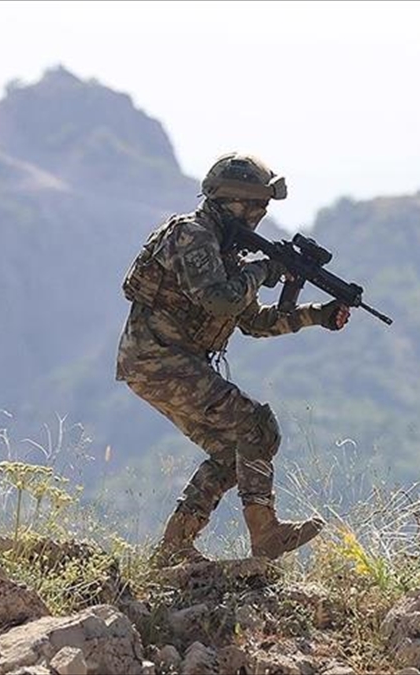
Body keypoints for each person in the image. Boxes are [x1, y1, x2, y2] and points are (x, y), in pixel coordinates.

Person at [116, 152, 349, 565]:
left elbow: (254, 322)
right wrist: (264, 270)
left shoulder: (224, 252)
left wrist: (319, 315)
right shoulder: (193, 235)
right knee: (256, 426)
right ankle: (266, 535)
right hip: (158, 359)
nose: (261, 214)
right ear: (231, 202)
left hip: (164, 362)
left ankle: (174, 547)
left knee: (233, 453)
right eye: (256, 205)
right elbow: (220, 300)